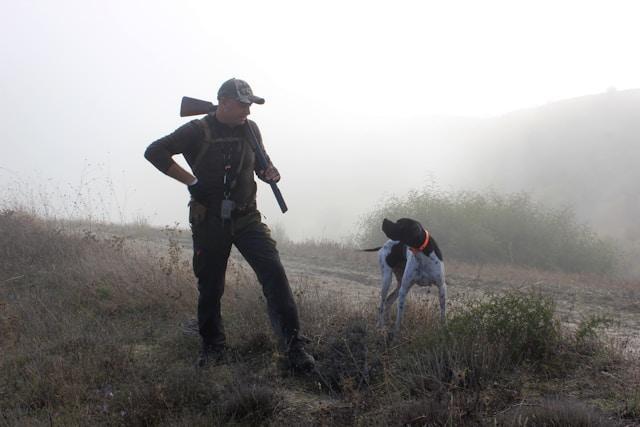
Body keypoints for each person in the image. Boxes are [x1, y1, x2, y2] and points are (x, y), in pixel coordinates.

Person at [144, 78, 315, 371]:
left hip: (247, 217)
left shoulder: (250, 129)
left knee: (274, 275)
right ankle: (213, 349)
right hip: (209, 219)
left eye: (250, 105)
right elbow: (154, 152)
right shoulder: (196, 130)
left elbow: (261, 163)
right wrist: (192, 181)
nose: (248, 111)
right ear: (223, 102)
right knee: (210, 287)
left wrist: (268, 172)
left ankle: (293, 347)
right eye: (242, 104)